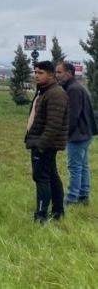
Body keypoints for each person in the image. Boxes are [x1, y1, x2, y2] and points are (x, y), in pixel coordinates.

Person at [25, 61, 69, 224]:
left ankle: (41, 215)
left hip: (44, 144)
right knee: (51, 175)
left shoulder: (55, 93)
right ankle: (58, 211)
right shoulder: (44, 91)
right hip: (40, 141)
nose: (37, 75)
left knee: (41, 178)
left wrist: (41, 145)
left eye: (41, 72)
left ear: (51, 75)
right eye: (35, 72)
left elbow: (54, 124)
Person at [56, 61, 97, 206]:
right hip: (86, 133)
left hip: (78, 135)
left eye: (59, 72)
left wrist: (65, 134)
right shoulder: (78, 86)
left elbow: (72, 115)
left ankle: (72, 198)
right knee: (83, 166)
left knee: (74, 167)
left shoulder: (73, 89)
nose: (57, 76)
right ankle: (83, 196)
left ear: (69, 72)